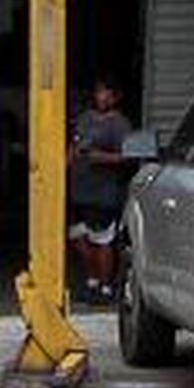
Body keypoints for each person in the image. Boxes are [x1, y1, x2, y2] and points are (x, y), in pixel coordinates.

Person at [65, 76, 137, 302]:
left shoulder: (120, 124)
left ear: (116, 97)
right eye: (98, 91)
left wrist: (101, 157)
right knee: (76, 235)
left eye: (106, 92)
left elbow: (128, 157)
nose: (101, 96)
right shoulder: (85, 118)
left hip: (104, 192)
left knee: (102, 240)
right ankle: (92, 279)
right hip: (79, 189)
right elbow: (74, 145)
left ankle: (105, 287)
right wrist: (64, 167)